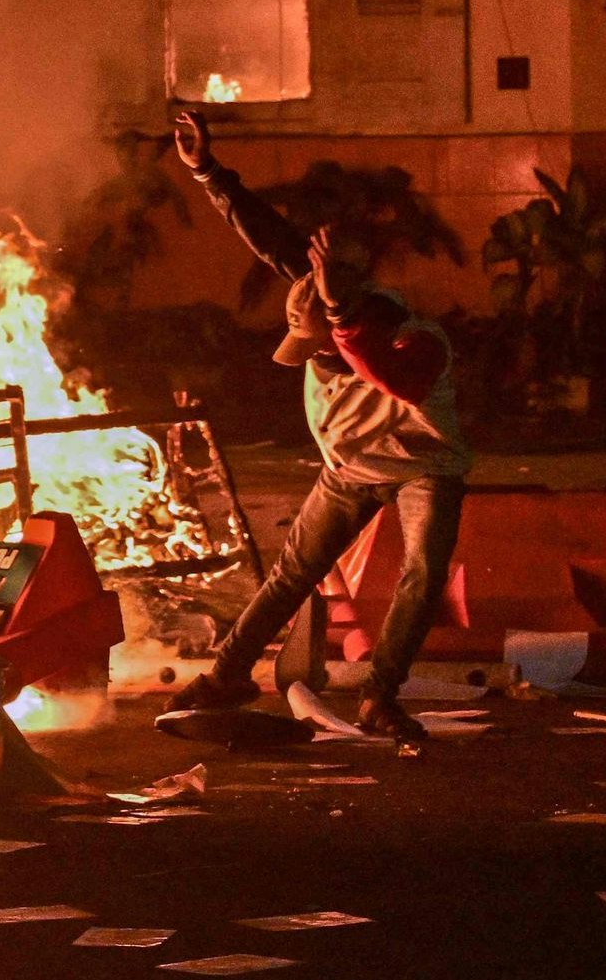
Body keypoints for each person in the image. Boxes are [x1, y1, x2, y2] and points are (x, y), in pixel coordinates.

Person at [160, 106, 465, 756]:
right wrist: (208, 171)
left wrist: (338, 314)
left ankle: (380, 695)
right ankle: (226, 678)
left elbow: (384, 370)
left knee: (421, 574)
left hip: (422, 466)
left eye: (319, 347)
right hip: (351, 467)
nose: (315, 360)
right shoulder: (327, 301)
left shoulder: (417, 345)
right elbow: (268, 238)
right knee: (292, 571)